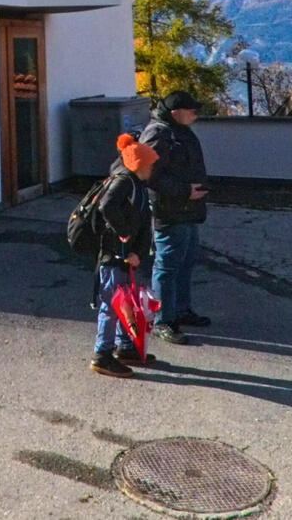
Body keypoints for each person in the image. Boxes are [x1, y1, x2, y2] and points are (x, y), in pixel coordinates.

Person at [140, 90, 211, 345]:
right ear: (174, 113)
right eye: (190, 110)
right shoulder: (159, 133)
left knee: (186, 261)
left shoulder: (179, 130)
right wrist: (184, 191)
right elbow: (150, 176)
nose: (195, 114)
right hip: (170, 212)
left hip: (187, 210)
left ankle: (181, 310)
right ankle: (163, 320)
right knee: (167, 266)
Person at [90, 133, 160, 378]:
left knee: (125, 301)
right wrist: (124, 235)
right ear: (140, 164)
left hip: (127, 255)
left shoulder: (138, 185)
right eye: (150, 163)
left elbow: (141, 223)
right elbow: (106, 206)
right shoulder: (125, 183)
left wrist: (138, 250)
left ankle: (125, 347)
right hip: (114, 255)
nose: (153, 166)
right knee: (111, 304)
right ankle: (102, 355)